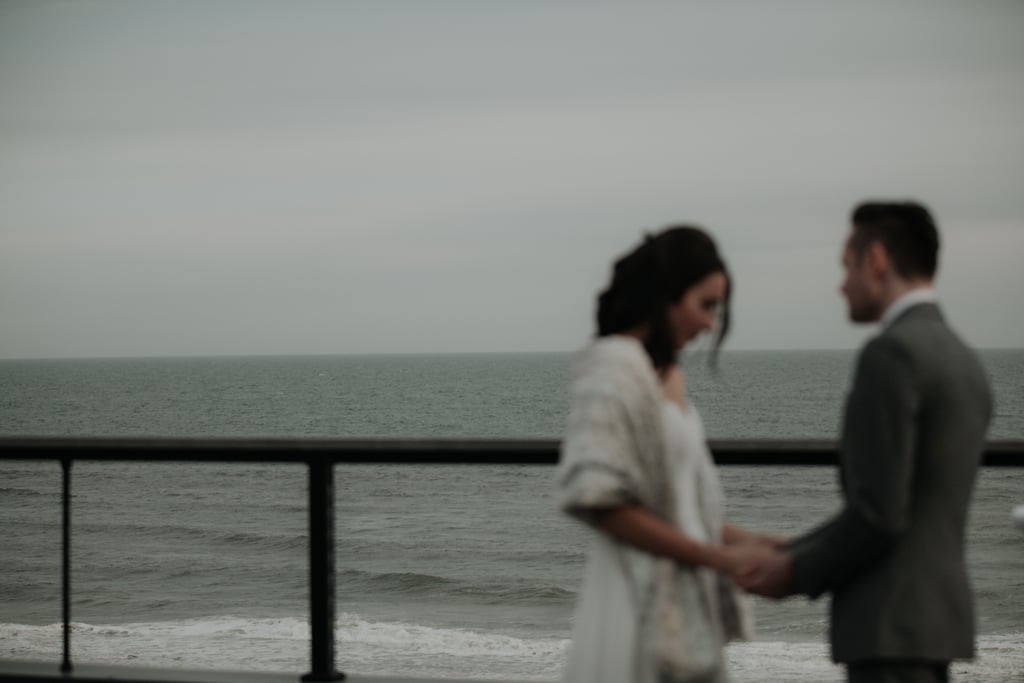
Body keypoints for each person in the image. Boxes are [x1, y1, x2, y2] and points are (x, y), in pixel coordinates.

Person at [738, 201, 993, 683]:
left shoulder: (891, 354)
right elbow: (911, 503)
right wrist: (792, 547)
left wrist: (791, 571)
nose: (841, 284)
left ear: (876, 260)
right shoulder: (963, 359)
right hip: (934, 625)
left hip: (888, 628)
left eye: (846, 266)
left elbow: (878, 512)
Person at [556, 225, 775, 683]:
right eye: (706, 305)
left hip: (682, 591)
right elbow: (602, 502)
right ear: (665, 295)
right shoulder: (613, 365)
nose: (712, 324)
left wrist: (760, 543)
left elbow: (680, 506)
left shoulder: (670, 374)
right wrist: (716, 558)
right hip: (632, 594)